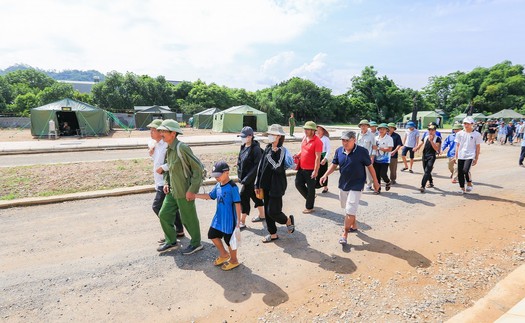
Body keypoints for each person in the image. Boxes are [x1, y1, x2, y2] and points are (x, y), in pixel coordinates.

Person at [319, 131, 380, 245]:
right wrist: (325, 175)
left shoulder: (362, 152)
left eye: (347, 140)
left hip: (357, 184)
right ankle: (354, 225)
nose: (345, 143)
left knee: (350, 209)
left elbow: (370, 167)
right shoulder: (339, 151)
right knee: (347, 207)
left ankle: (345, 234)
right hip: (343, 184)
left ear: (354, 140)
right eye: (343, 140)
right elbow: (334, 164)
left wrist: (375, 182)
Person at [156, 119, 204, 254]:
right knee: (164, 214)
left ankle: (196, 243)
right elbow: (169, 169)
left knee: (188, 219)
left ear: (173, 133)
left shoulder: (181, 147)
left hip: (184, 190)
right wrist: (166, 182)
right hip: (172, 190)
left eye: (164, 131)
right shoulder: (169, 149)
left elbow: (197, 169)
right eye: (161, 131)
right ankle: (171, 241)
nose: (161, 134)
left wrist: (192, 190)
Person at [195, 161, 242, 271]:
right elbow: (210, 196)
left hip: (229, 220)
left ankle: (234, 260)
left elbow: (238, 204)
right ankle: (224, 254)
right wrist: (195, 196)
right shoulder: (218, 185)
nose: (216, 178)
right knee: (212, 234)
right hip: (219, 218)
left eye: (218, 175)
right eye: (215, 176)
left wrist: (238, 221)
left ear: (227, 173)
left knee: (229, 241)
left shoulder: (232, 187)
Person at [254, 124, 295, 243]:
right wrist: (257, 184)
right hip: (265, 185)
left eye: (273, 134)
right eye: (270, 134)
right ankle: (272, 234)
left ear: (279, 136)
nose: (270, 136)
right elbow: (261, 167)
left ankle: (287, 221)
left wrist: (271, 155)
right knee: (267, 212)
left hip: (276, 186)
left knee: (273, 211)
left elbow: (277, 167)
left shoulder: (281, 150)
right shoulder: (267, 147)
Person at [146, 119, 185, 245]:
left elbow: (173, 162)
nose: (151, 133)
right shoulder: (156, 144)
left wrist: (163, 168)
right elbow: (158, 160)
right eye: (150, 130)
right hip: (159, 181)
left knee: (157, 207)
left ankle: (170, 233)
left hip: (166, 182)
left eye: (154, 130)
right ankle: (179, 230)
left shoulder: (167, 144)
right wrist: (151, 152)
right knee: (171, 207)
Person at [236, 126, 265, 228]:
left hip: (252, 179)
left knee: (243, 197)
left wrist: (247, 179)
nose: (242, 138)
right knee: (254, 195)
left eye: (244, 137)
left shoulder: (255, 149)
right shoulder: (243, 147)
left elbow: (257, 167)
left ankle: (242, 221)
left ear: (250, 136)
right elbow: (239, 161)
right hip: (245, 178)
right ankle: (262, 215)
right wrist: (239, 175)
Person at [294, 121, 322, 213]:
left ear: (313, 130)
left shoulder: (318, 142)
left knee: (311, 188)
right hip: (302, 167)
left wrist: (315, 170)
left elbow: (318, 158)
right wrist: (297, 155)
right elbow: (302, 150)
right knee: (298, 184)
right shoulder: (304, 138)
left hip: (311, 170)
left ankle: (309, 207)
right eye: (305, 129)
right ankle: (310, 198)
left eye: (308, 129)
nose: (305, 130)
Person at [454, 117, 482, 194]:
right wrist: (456, 156)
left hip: (470, 155)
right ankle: (462, 188)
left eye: (468, 124)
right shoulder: (459, 134)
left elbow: (478, 147)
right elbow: (457, 145)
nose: (466, 125)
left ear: (472, 124)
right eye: (465, 123)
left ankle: (469, 182)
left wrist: (476, 158)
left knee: (465, 170)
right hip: (461, 154)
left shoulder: (477, 134)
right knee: (460, 172)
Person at [413, 124, 442, 193]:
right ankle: (431, 182)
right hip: (425, 155)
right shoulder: (426, 137)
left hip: (431, 156)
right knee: (426, 170)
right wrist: (416, 148)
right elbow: (421, 143)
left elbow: (436, 148)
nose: (430, 131)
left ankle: (422, 186)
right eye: (429, 130)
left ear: (435, 131)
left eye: (432, 130)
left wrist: (431, 141)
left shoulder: (437, 138)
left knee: (427, 171)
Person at [356, 119, 376, 191]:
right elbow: (355, 145)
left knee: (368, 171)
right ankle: (360, 185)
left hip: (367, 156)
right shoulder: (358, 134)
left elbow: (374, 147)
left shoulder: (371, 135)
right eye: (362, 125)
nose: (363, 127)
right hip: (358, 155)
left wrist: (372, 157)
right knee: (359, 171)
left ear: (368, 126)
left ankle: (369, 184)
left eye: (365, 125)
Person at [373, 123, 393, 194]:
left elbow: (390, 149)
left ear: (386, 130)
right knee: (376, 175)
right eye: (380, 129)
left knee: (383, 174)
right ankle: (378, 189)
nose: (381, 130)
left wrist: (379, 148)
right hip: (376, 159)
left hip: (385, 160)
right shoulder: (376, 138)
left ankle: (387, 181)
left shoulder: (389, 138)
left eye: (383, 129)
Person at [315, 125, 331, 193]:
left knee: (323, 172)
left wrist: (325, 158)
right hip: (316, 156)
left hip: (323, 156)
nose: (318, 131)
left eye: (320, 130)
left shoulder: (326, 139)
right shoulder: (315, 138)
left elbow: (328, 150)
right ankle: (314, 186)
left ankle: (325, 187)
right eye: (317, 130)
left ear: (323, 131)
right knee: (315, 171)